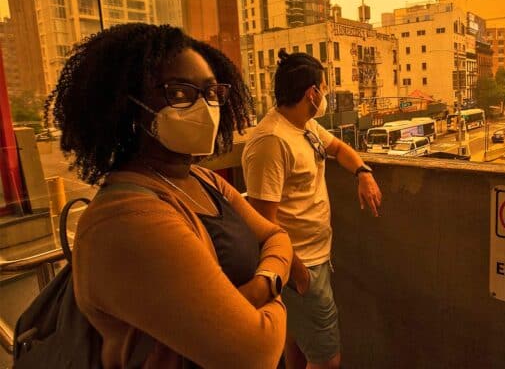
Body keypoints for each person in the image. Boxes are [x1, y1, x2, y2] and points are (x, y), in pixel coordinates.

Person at [46, 23, 293, 368]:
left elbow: (276, 235)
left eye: (212, 93)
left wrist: (264, 285)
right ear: (126, 104)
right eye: (179, 93)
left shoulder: (203, 180)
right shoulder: (126, 221)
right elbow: (256, 352)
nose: (205, 107)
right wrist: (279, 287)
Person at [242, 50, 382, 369]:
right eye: (323, 88)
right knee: (327, 359)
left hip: (315, 258)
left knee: (297, 345)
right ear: (312, 93)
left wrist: (364, 172)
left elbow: (338, 148)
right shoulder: (272, 142)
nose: (325, 96)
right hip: (300, 265)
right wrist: (298, 272)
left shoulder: (305, 126)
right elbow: (263, 223)